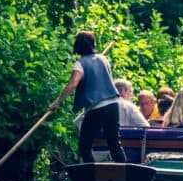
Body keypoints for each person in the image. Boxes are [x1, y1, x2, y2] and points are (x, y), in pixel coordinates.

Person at [50, 30, 126, 164]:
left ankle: (91, 176)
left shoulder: (80, 63)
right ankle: (125, 173)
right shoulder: (103, 59)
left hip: (97, 108)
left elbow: (73, 83)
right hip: (113, 105)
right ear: (93, 44)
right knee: (114, 143)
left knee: (84, 146)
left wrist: (57, 102)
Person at [73, 78, 148, 130]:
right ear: (123, 91)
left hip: (97, 149)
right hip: (124, 148)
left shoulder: (97, 104)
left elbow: (78, 122)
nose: (132, 96)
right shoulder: (129, 106)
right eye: (130, 92)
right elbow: (145, 127)